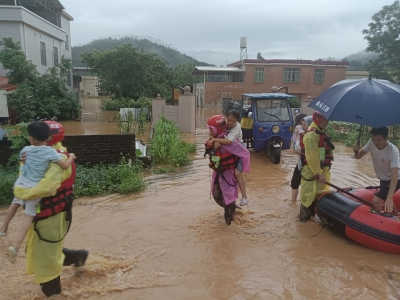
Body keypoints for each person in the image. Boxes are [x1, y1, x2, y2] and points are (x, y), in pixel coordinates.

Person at [8, 121, 88, 297]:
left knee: (46, 263)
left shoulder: (55, 161)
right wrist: (24, 162)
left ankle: (54, 294)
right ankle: (78, 256)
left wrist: (19, 191)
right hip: (47, 215)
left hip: (52, 217)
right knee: (40, 251)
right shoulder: (43, 154)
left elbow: (46, 188)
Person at [0, 121, 76, 263]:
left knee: (15, 203)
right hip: (37, 194)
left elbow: (23, 162)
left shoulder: (26, 150)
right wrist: (71, 156)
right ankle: (16, 247)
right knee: (28, 217)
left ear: (31, 138)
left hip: (21, 185)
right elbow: (63, 168)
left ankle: (3, 227)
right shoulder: (54, 153)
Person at [205, 115, 250, 224]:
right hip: (218, 173)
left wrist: (241, 168)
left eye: (212, 129)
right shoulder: (215, 139)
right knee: (216, 195)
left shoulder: (229, 140)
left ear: (218, 129)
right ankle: (233, 210)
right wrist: (214, 141)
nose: (209, 131)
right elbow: (207, 147)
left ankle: (229, 228)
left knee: (228, 199)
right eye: (209, 128)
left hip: (229, 175)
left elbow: (244, 152)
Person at [353, 127, 400, 214]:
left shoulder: (393, 151)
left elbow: (395, 175)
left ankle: (384, 223)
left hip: (396, 179)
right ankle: (396, 215)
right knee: (385, 197)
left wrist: (390, 197)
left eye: (378, 140)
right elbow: (358, 156)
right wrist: (356, 151)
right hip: (384, 178)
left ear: (386, 139)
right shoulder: (371, 143)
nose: (375, 142)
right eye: (373, 139)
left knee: (376, 201)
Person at [299, 111, 334, 222]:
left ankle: (314, 221)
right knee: (307, 199)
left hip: (322, 173)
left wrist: (322, 172)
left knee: (319, 197)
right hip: (312, 174)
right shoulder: (311, 136)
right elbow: (312, 157)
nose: (327, 123)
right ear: (318, 120)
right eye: (325, 121)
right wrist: (319, 172)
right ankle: (303, 224)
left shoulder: (321, 133)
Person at [290, 116, 313, 201]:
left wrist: (298, 134)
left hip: (304, 165)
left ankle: (294, 202)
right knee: (297, 183)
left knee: (295, 183)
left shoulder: (308, 136)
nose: (302, 127)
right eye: (301, 125)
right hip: (304, 163)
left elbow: (298, 148)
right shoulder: (313, 135)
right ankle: (294, 202)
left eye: (304, 125)